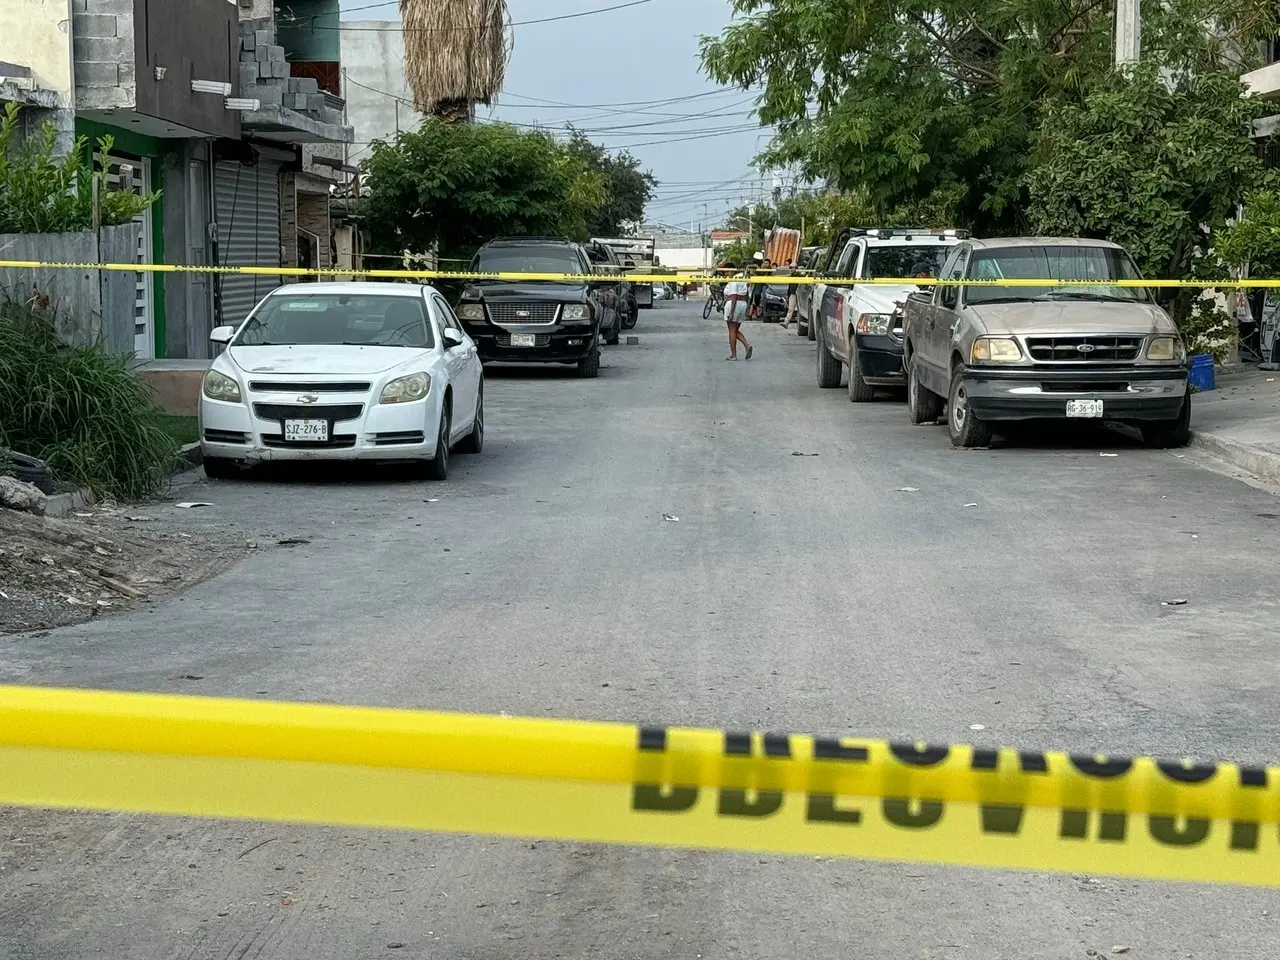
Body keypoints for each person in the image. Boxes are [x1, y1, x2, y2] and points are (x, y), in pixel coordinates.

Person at [723, 261, 754, 360]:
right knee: (735, 330)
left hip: (734, 305)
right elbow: (747, 295)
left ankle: (734, 355)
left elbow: (733, 296)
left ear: (731, 270)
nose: (726, 274)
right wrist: (748, 308)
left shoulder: (734, 280)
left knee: (732, 331)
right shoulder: (742, 278)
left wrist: (731, 312)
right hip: (742, 304)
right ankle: (746, 345)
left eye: (727, 272)